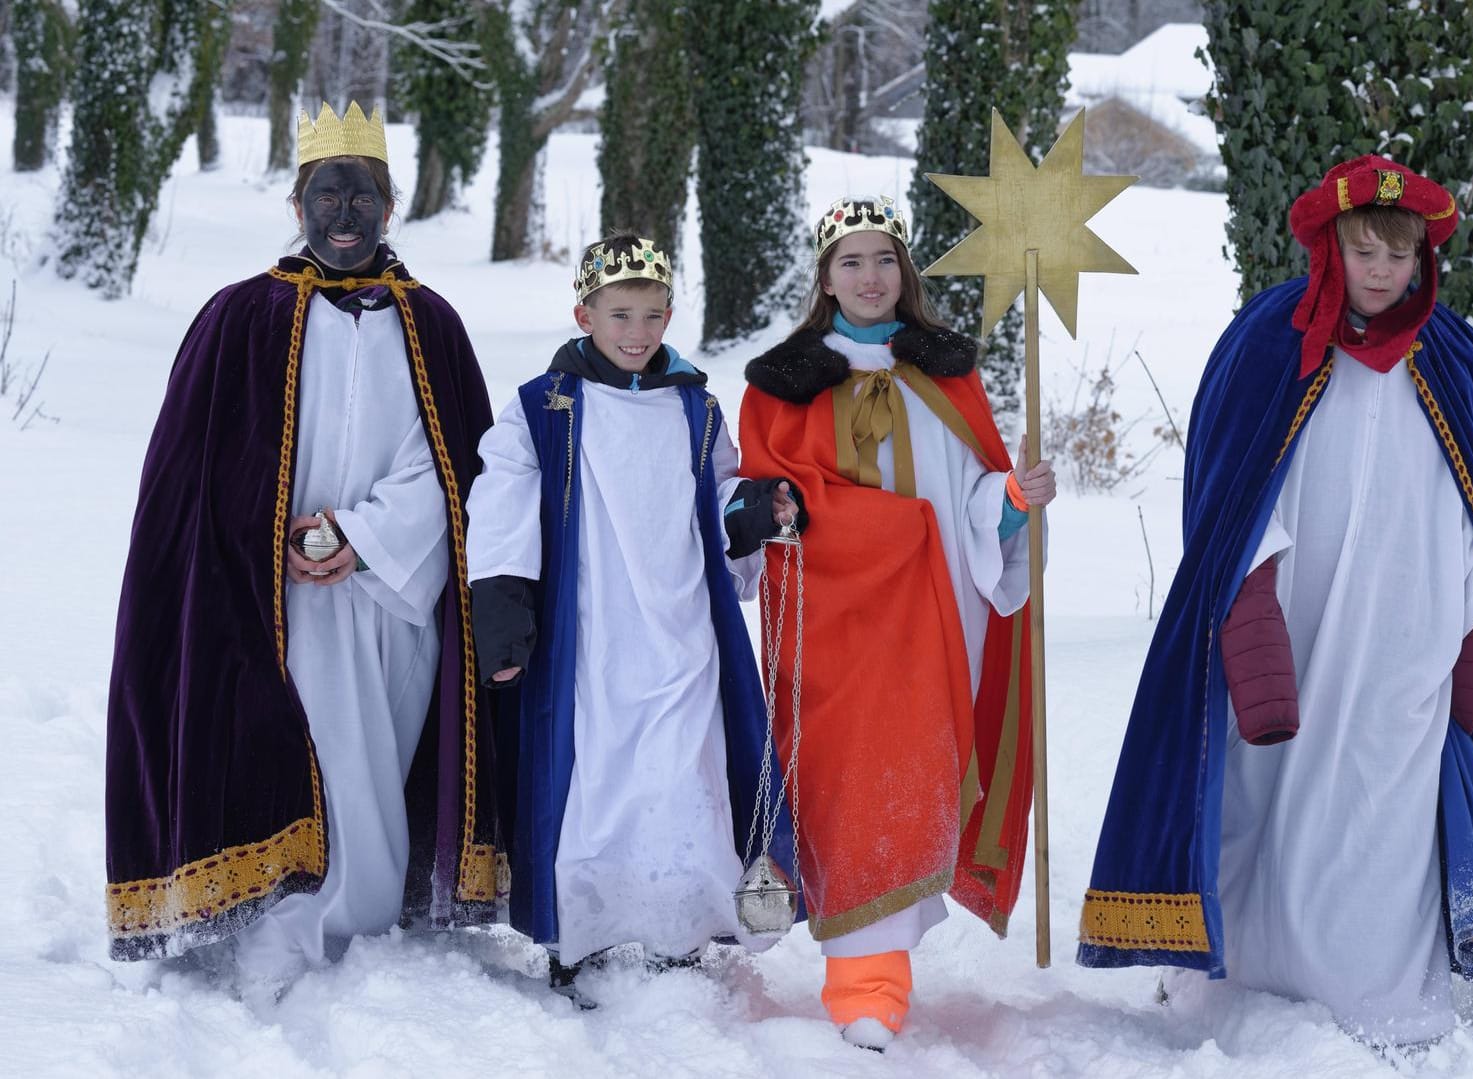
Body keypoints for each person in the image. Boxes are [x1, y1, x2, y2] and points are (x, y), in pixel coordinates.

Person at [1077, 156, 1473, 1045]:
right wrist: (1252, 602)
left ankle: (1375, 994)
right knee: (1258, 798)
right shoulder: (1271, 340)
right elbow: (1232, 492)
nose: (1383, 271)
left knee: (1384, 803)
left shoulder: (1454, 355)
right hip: (1294, 623)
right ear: (1330, 247)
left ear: (1423, 256)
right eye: (1364, 251)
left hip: (1407, 629)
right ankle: (1236, 983)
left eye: (1400, 253)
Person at [103, 103, 504, 990]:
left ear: (388, 208)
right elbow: (192, 476)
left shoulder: (430, 323)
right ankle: (298, 919)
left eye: (362, 195)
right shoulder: (238, 318)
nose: (345, 213)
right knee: (299, 751)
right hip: (275, 605)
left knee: (376, 761)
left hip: (393, 596)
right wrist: (266, 535)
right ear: (298, 205)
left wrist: (359, 538)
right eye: (329, 194)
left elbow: (454, 473)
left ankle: (365, 914)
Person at [737, 196, 1056, 1050]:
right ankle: (864, 984)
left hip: (944, 621)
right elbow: (761, 508)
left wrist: (1015, 502)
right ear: (824, 276)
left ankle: (881, 980)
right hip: (838, 629)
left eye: (885, 260)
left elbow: (972, 496)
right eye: (851, 261)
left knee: (915, 777)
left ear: (905, 273)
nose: (870, 277)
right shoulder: (780, 382)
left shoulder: (949, 374)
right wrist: (851, 529)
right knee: (852, 791)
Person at [465, 234, 804, 1008]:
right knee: (599, 782)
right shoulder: (542, 407)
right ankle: (581, 933)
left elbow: (718, 494)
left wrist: (753, 507)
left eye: (652, 315)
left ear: (669, 315)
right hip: (592, 633)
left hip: (682, 623)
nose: (637, 332)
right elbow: (503, 503)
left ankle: (677, 929)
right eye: (619, 314)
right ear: (583, 313)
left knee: (682, 773)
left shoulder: (696, 405)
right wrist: (506, 606)